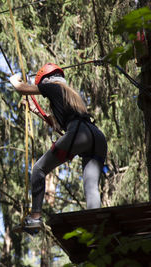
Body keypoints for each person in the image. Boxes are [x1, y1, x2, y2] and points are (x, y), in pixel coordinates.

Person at [9, 63, 107, 230]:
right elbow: (59, 124)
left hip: (79, 133)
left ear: (45, 80)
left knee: (39, 169)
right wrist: (38, 111)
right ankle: (96, 224)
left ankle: (35, 217)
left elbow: (21, 88)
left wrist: (14, 80)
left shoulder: (50, 86)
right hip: (96, 137)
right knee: (91, 186)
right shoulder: (70, 95)